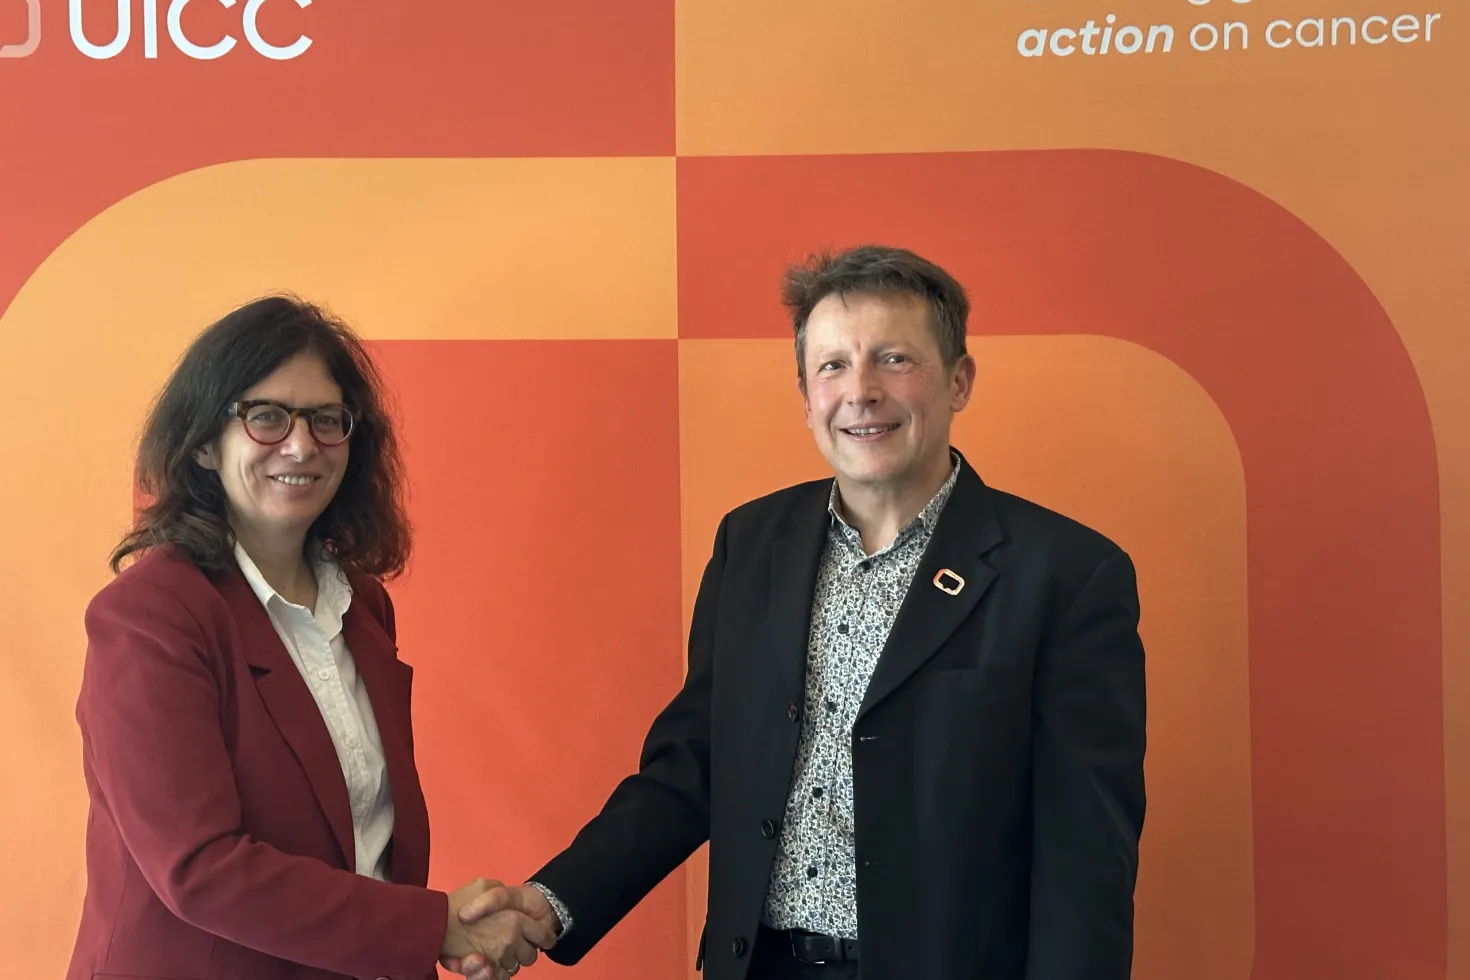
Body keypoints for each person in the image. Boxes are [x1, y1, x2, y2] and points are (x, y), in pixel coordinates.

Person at [456, 245, 1148, 979]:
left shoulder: (1067, 574)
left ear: (959, 381)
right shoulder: (752, 545)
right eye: (833, 366)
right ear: (805, 394)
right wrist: (556, 901)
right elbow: (694, 764)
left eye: (894, 359)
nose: (862, 391)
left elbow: (1086, 859)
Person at [65, 296, 552, 980]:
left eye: (327, 420)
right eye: (265, 416)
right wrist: (433, 926)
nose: (301, 445)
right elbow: (199, 868)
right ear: (204, 443)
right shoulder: (150, 616)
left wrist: (431, 935)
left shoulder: (364, 609)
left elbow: (366, 842)